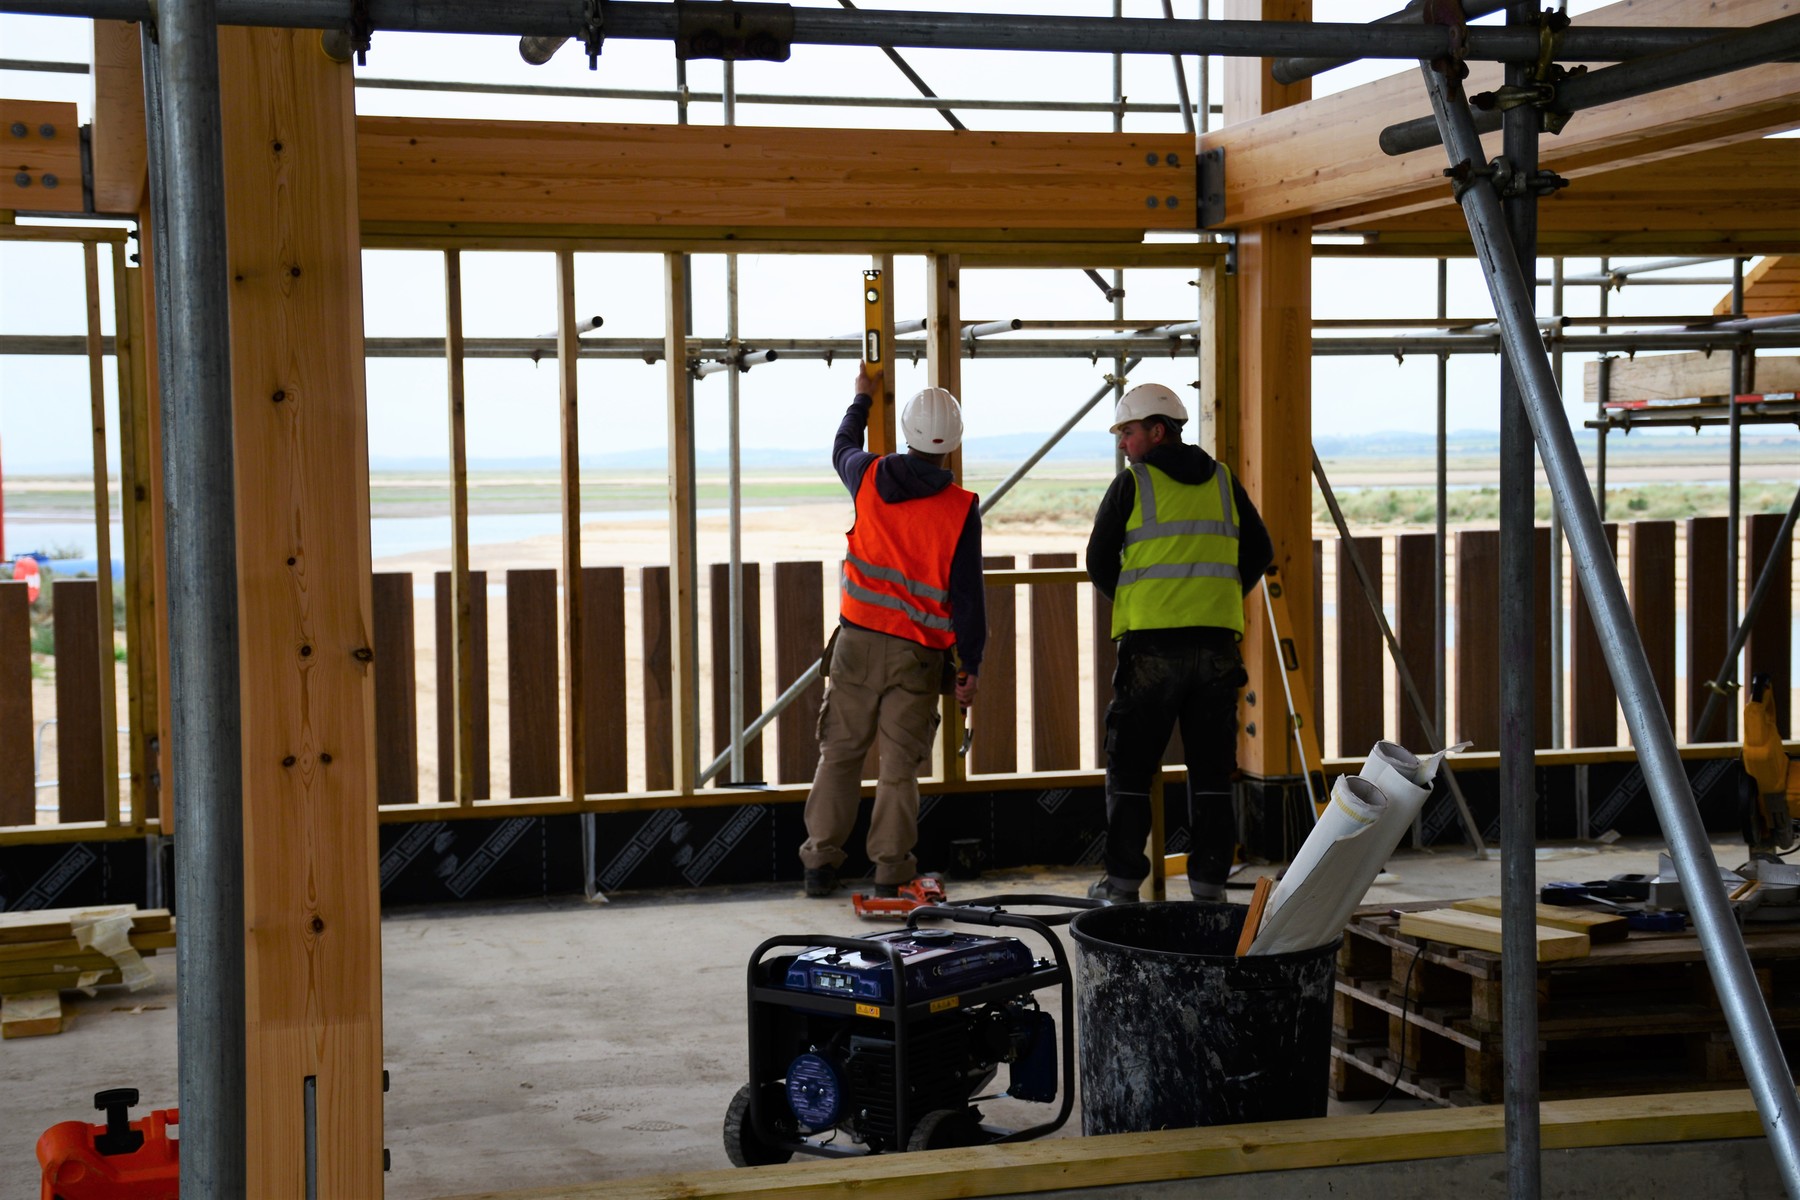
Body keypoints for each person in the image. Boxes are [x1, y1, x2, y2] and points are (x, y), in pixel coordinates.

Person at [799, 365, 985, 898]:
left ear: (905, 433)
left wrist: (861, 398)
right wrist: (968, 665)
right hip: (917, 657)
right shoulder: (960, 508)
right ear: (953, 443)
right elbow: (967, 596)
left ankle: (819, 863)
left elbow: (841, 445)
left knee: (839, 755)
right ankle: (890, 869)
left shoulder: (868, 475)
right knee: (898, 768)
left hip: (856, 646)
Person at [1084, 382, 1273, 903]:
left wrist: (1141, 602)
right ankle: (1210, 887)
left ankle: (1122, 884)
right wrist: (1216, 596)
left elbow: (1099, 562)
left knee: (1130, 768)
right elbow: (1259, 549)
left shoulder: (1133, 485)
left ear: (1156, 431)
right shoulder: (1223, 482)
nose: (1123, 443)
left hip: (1151, 650)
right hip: (1215, 649)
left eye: (1127, 431)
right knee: (1211, 770)